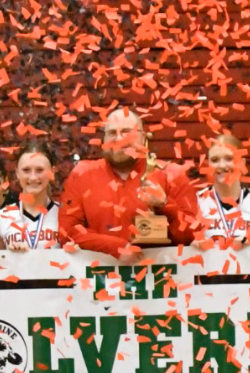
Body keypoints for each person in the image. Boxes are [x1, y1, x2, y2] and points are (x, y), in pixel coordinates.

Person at [59, 108, 200, 261]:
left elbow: (194, 235)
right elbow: (67, 232)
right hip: (98, 281)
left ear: (143, 137)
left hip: (162, 280)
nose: (119, 139)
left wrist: (165, 205)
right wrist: (116, 248)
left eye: (127, 132)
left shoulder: (172, 174)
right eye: (112, 133)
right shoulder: (82, 174)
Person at [194, 133, 250, 247]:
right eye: (215, 160)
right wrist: (192, 246)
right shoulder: (196, 202)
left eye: (229, 158)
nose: (222, 165)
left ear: (242, 162)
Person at [0, 143, 65, 251]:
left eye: (39, 170)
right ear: (17, 173)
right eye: (26, 170)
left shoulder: (64, 215)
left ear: (52, 172)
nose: (33, 177)